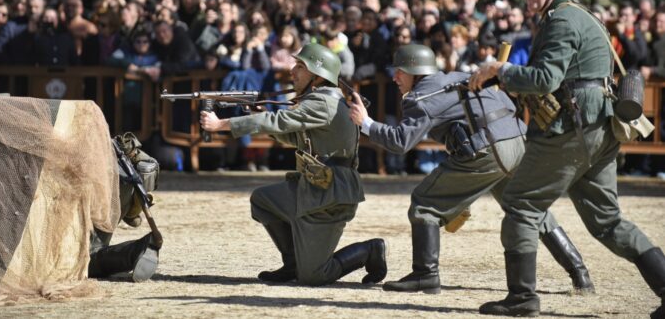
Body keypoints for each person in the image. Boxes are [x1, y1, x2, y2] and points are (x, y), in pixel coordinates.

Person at [470, 0, 665, 318]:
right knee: (607, 222)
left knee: (520, 205)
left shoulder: (561, 20)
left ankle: (522, 298)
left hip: (571, 129)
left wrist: (502, 69)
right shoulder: (583, 14)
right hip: (598, 129)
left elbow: (546, 79)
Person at [349, 43, 594, 295]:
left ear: (417, 72)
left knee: (424, 203)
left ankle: (426, 275)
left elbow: (400, 142)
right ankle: (580, 274)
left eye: (400, 71)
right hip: (519, 141)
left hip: (489, 149)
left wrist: (365, 122)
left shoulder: (420, 98)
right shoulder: (460, 76)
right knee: (529, 210)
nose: (394, 77)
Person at [200, 43, 387, 286]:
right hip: (315, 187)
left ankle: (369, 250)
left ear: (318, 77)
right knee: (263, 200)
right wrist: (261, 119)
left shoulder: (323, 103)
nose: (292, 70)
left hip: (331, 195)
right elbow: (292, 135)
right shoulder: (320, 100)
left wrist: (221, 125)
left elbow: (277, 120)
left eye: (301, 66)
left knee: (315, 276)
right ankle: (293, 264)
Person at [88, 133, 160, 282]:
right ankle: (138, 249)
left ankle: (137, 249)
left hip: (106, 179)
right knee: (88, 258)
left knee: (85, 260)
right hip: (118, 170)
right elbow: (147, 167)